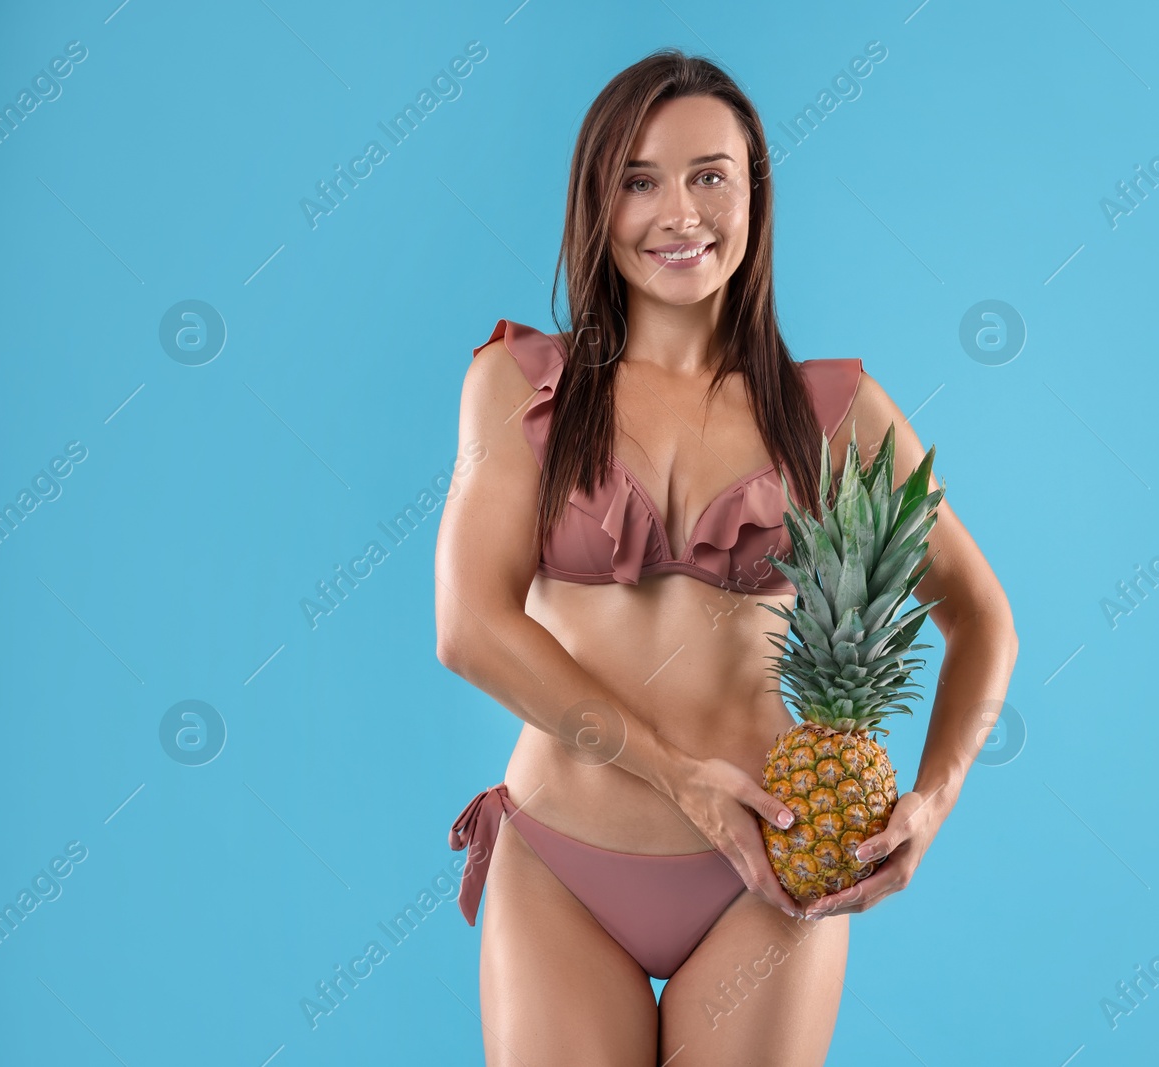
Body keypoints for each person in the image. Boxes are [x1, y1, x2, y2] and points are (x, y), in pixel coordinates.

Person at [434, 48, 1017, 1067]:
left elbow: (978, 612)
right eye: (639, 179)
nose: (680, 212)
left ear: (754, 197)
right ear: (596, 202)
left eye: (711, 175)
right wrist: (679, 776)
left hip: (773, 867)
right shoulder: (519, 386)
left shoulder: (834, 416)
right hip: (564, 859)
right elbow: (469, 628)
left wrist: (932, 795)